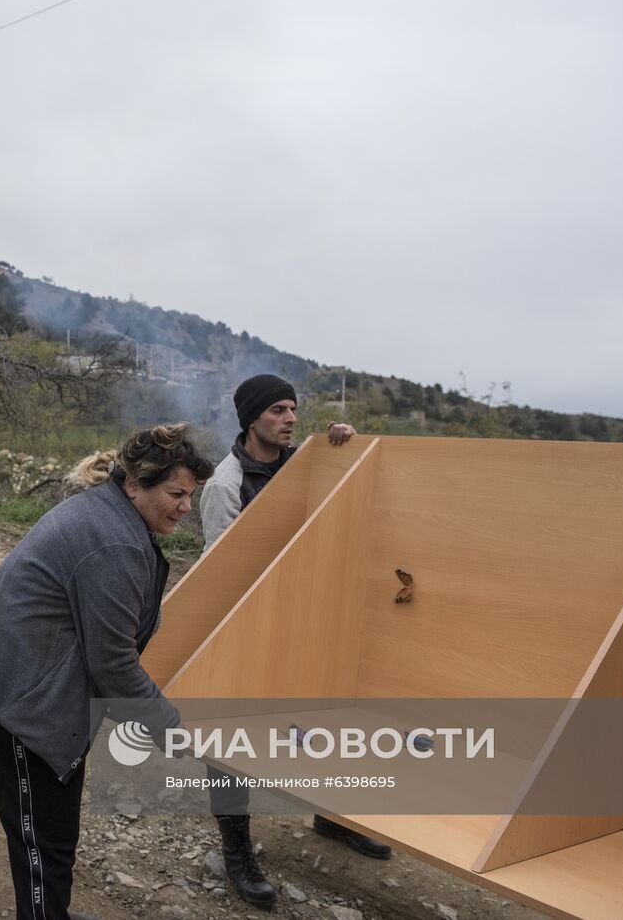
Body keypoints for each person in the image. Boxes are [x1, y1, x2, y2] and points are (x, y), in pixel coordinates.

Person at [0, 423, 214, 920]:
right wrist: (172, 730)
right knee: (41, 837)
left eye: (190, 496)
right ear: (136, 484)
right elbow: (112, 662)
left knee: (53, 828)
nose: (185, 507)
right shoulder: (114, 544)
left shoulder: (114, 513)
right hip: (12, 696)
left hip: (21, 669)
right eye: (176, 494)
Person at [197, 374, 390, 910]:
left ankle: (331, 816)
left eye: (293, 410)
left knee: (328, 715)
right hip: (246, 623)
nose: (289, 419)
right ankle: (237, 851)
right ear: (252, 417)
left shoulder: (307, 462)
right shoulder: (225, 485)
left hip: (309, 617)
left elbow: (343, 502)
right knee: (230, 736)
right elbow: (225, 574)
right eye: (279, 410)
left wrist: (343, 445)